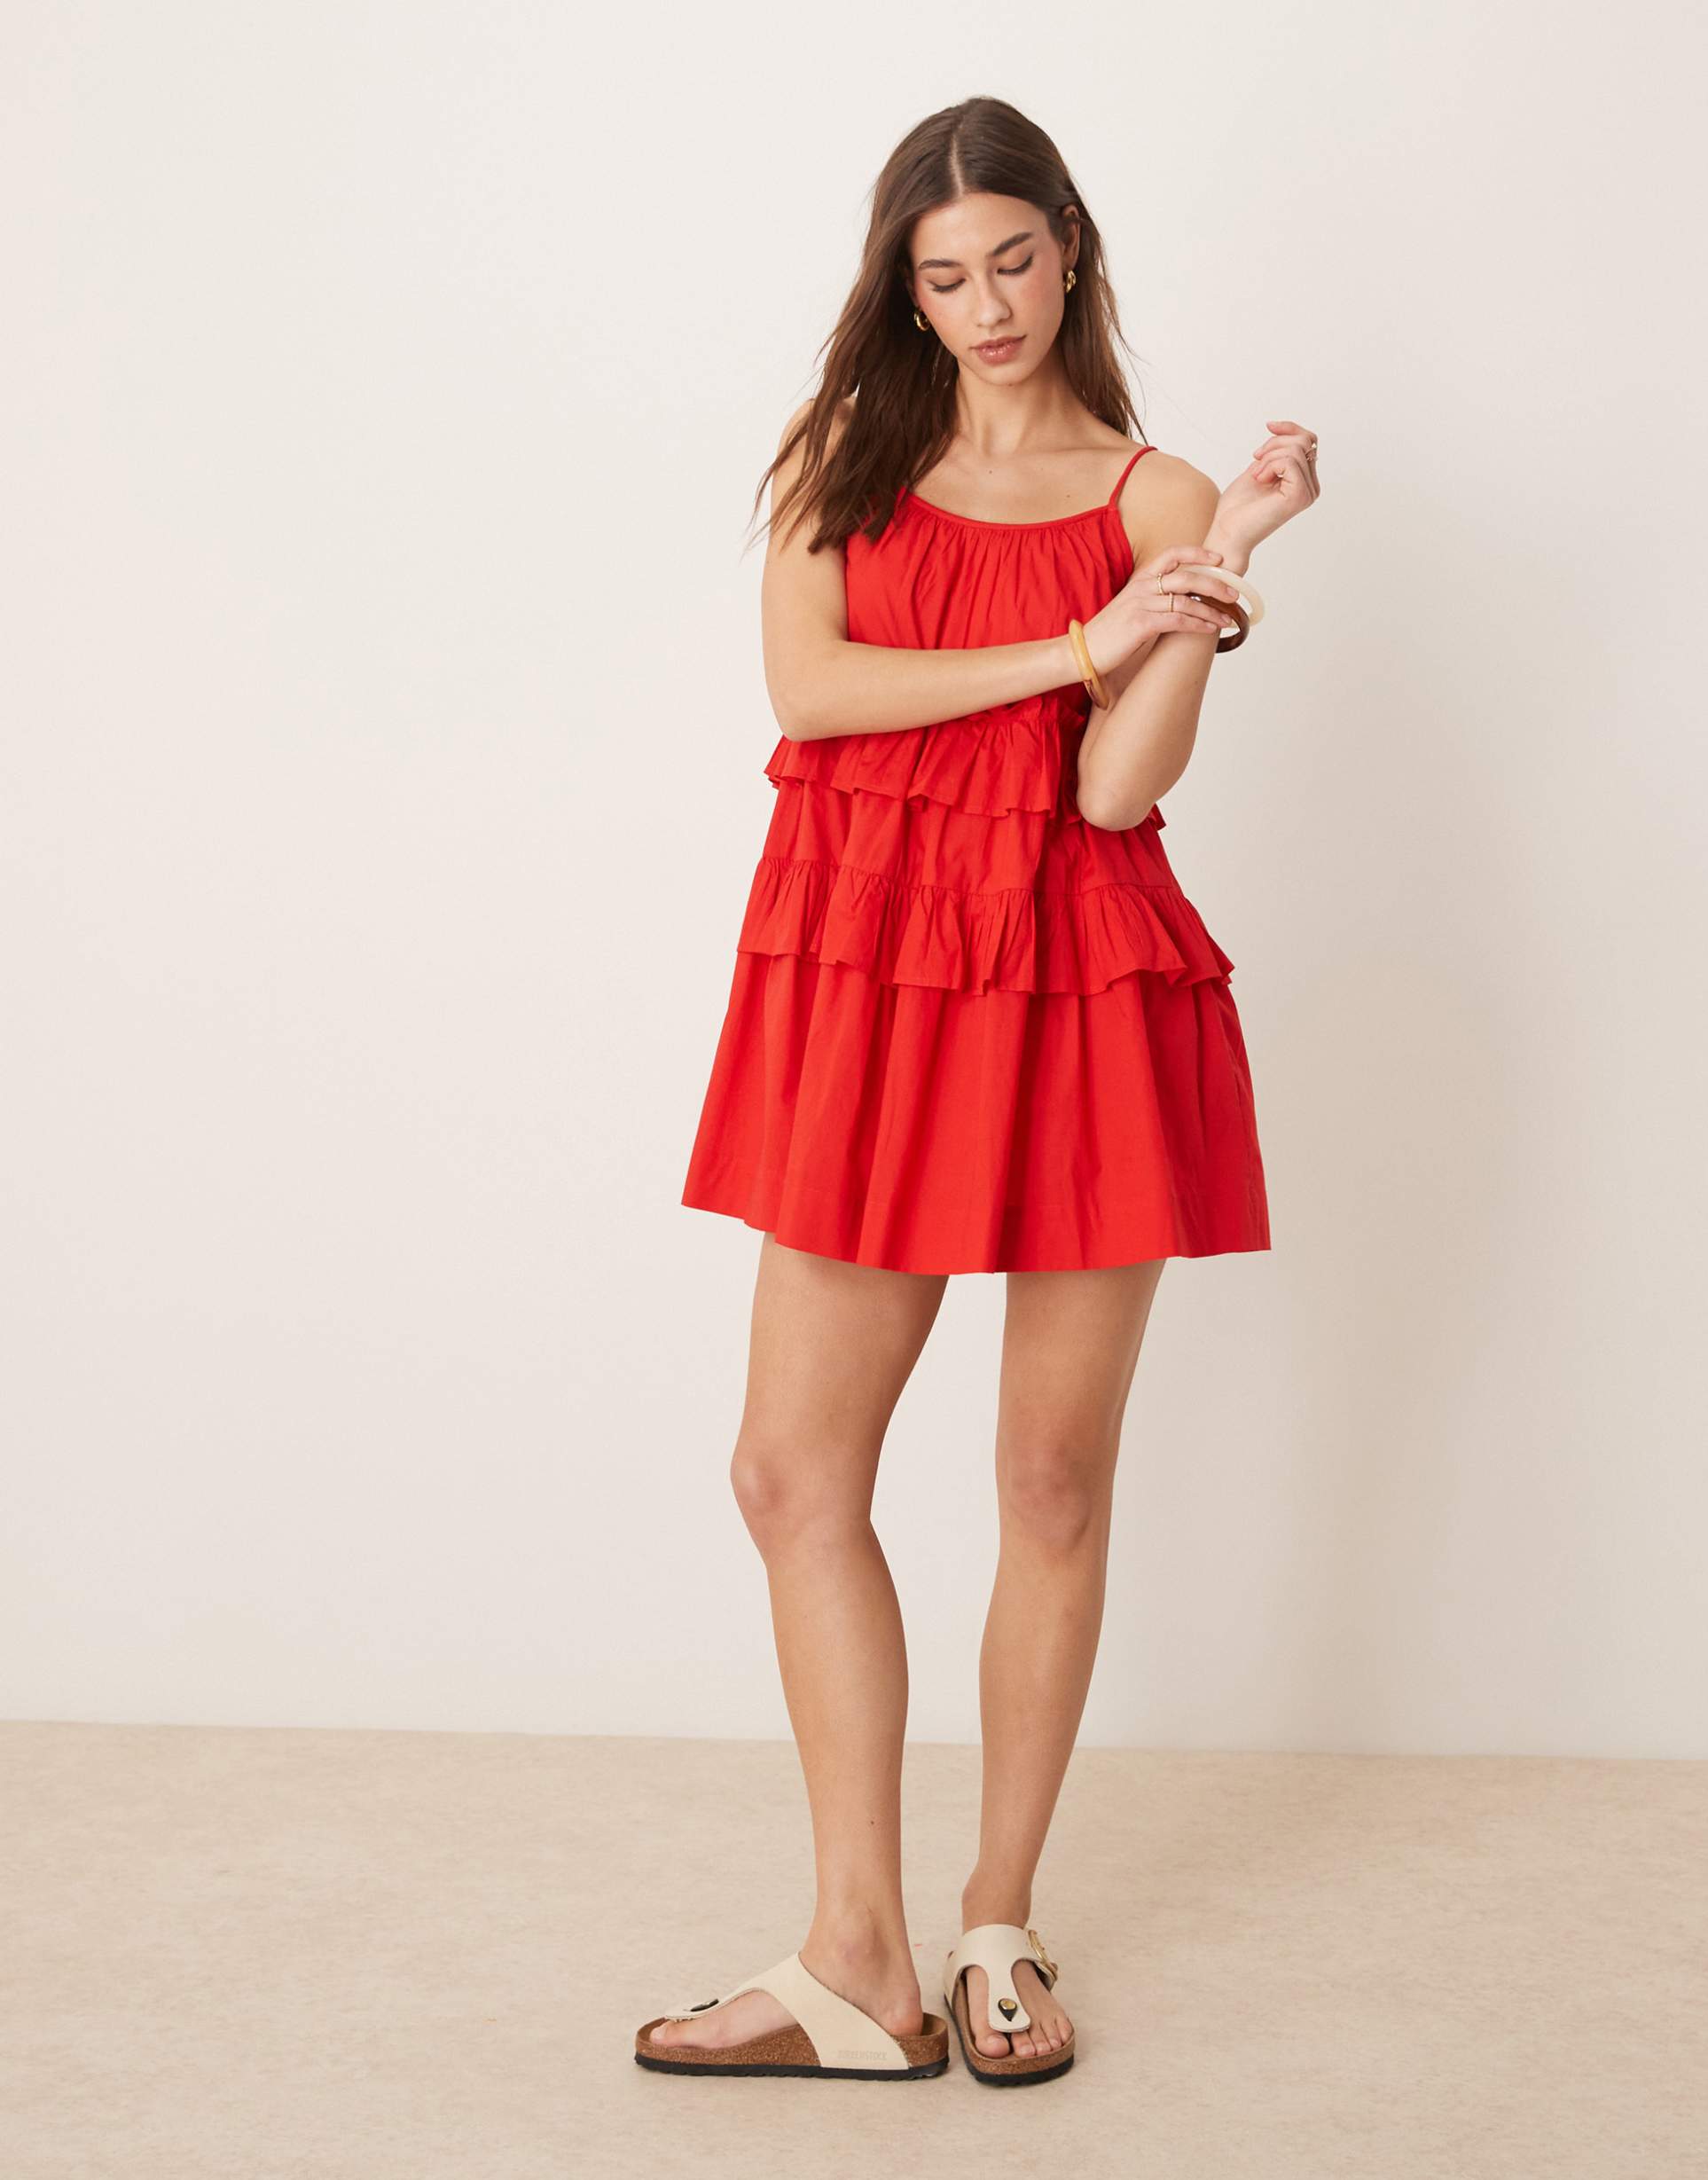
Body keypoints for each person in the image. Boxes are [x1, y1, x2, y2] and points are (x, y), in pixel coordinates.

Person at [637, 95, 1320, 2087]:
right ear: (905, 292)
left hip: (1080, 982)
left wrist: (1211, 569)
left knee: (1049, 1478)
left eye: (1013, 258)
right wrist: (1071, 639)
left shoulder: (1154, 489)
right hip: (874, 981)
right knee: (791, 1470)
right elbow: (814, 691)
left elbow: (1115, 788)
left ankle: (996, 1922)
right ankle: (857, 1955)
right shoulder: (845, 457)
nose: (987, 302)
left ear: (1070, 250)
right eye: (944, 275)